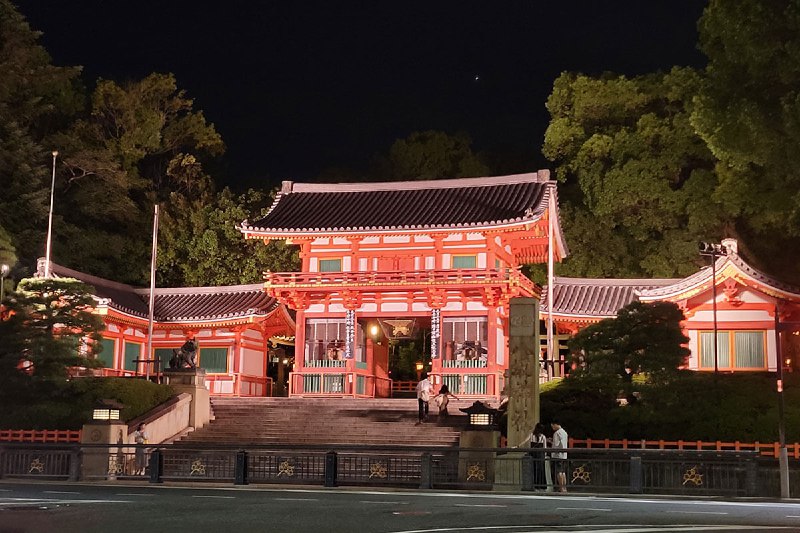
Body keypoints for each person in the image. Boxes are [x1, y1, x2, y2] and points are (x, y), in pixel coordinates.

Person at [550, 420, 568, 493]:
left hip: (557, 455)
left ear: (555, 424)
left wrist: (551, 443)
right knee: (563, 472)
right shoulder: (564, 432)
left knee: (559, 472)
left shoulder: (557, 433)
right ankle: (564, 488)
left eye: (552, 426)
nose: (552, 428)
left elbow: (556, 445)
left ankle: (561, 488)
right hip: (564, 455)